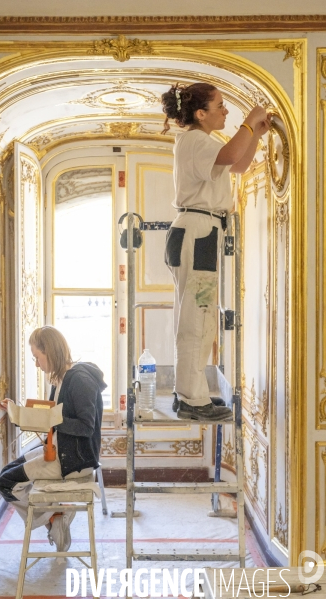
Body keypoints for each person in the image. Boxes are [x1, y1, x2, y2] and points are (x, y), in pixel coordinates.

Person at [161, 82, 270, 421]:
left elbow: (235, 164)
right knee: (199, 315)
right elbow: (229, 156)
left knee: (200, 314)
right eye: (221, 105)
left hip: (199, 232)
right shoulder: (195, 140)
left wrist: (253, 134)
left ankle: (190, 396)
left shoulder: (201, 143)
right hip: (198, 233)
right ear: (200, 113)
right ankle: (192, 400)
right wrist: (249, 123)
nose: (226, 111)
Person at [0, 325, 106, 555]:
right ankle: (56, 518)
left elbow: (86, 427)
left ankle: (54, 519)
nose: (37, 364)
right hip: (57, 447)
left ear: (51, 351)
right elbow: (48, 421)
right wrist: (16, 412)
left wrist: (52, 419)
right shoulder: (60, 379)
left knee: (6, 483)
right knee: (7, 472)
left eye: (37, 357)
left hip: (73, 458)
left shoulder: (80, 380)